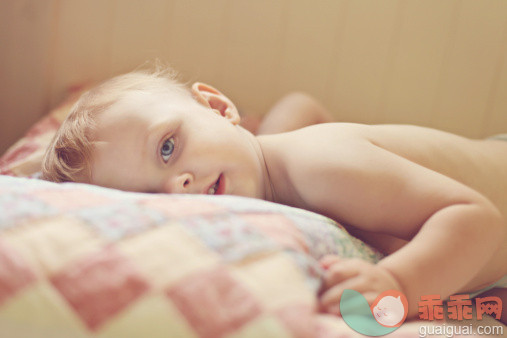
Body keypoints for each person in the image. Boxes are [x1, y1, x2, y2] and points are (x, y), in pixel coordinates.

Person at [41, 68, 507, 322]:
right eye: (149, 195)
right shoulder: (271, 171)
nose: (175, 185)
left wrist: (399, 285)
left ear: (222, 108)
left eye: (167, 147)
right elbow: (303, 102)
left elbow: (477, 218)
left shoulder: (321, 164)